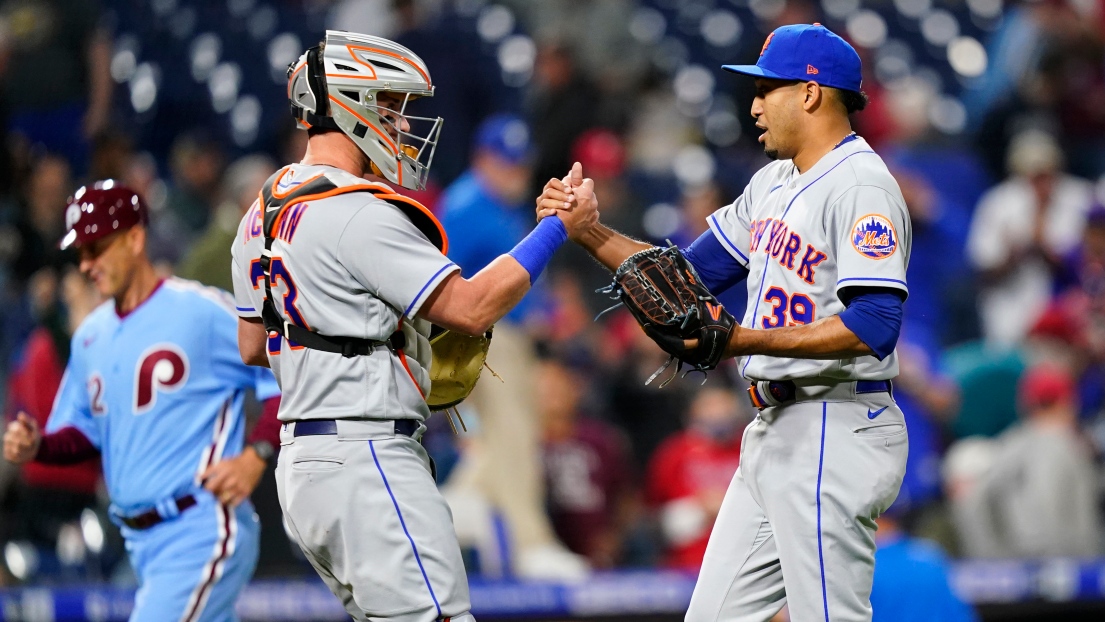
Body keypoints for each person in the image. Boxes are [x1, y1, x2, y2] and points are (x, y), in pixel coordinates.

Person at [539, 23, 911, 622]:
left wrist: (742, 339)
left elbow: (875, 322)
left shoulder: (860, 185)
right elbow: (687, 274)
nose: (755, 104)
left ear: (811, 93)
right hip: (773, 428)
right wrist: (590, 233)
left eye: (767, 90)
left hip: (833, 422)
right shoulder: (773, 181)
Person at [231, 31, 596, 621]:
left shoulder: (261, 210)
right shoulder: (359, 210)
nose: (401, 124)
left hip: (302, 469)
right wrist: (557, 228)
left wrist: (354, 335)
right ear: (348, 105)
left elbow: (253, 344)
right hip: (366, 455)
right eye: (390, 107)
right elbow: (472, 307)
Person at [3, 182, 282, 621]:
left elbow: (288, 376)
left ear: (135, 238)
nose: (86, 264)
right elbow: (83, 434)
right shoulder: (90, 337)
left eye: (97, 247)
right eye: (81, 252)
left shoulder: (200, 311)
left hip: (200, 525)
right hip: (139, 545)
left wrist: (258, 453)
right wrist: (39, 446)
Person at [646, 387, 747, 570]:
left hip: (742, 556)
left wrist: (726, 503)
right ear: (694, 412)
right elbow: (654, 513)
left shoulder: (748, 450)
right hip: (686, 561)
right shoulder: (674, 452)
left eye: (725, 407)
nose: (719, 414)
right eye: (710, 406)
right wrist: (699, 507)